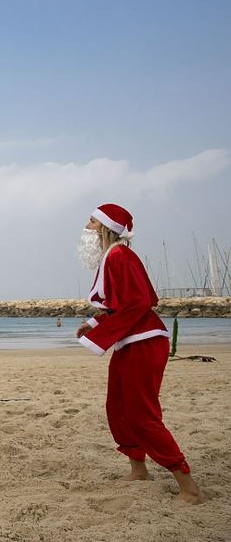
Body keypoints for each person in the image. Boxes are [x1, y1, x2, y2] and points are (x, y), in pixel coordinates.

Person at [76, 203, 204, 504]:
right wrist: (94, 323)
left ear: (106, 227)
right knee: (118, 407)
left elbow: (140, 302)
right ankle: (139, 469)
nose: (87, 227)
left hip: (145, 342)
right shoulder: (113, 256)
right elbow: (121, 303)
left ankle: (190, 489)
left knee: (141, 413)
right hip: (131, 342)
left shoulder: (121, 256)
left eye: (92, 221)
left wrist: (100, 335)